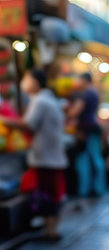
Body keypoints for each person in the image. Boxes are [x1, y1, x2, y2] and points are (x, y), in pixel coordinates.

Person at [0, 69, 68, 240]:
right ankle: (50, 229)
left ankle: (51, 231)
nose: (24, 83)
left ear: (36, 82)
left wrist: (4, 120)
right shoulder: (48, 99)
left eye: (26, 79)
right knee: (52, 193)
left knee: (48, 194)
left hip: (46, 157)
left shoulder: (40, 101)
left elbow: (28, 125)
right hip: (50, 156)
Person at [67, 73, 105, 198]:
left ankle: (85, 190)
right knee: (95, 159)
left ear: (84, 80)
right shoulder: (94, 93)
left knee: (84, 160)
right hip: (92, 129)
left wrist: (65, 111)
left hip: (87, 130)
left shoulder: (86, 94)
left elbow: (74, 112)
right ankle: (97, 187)